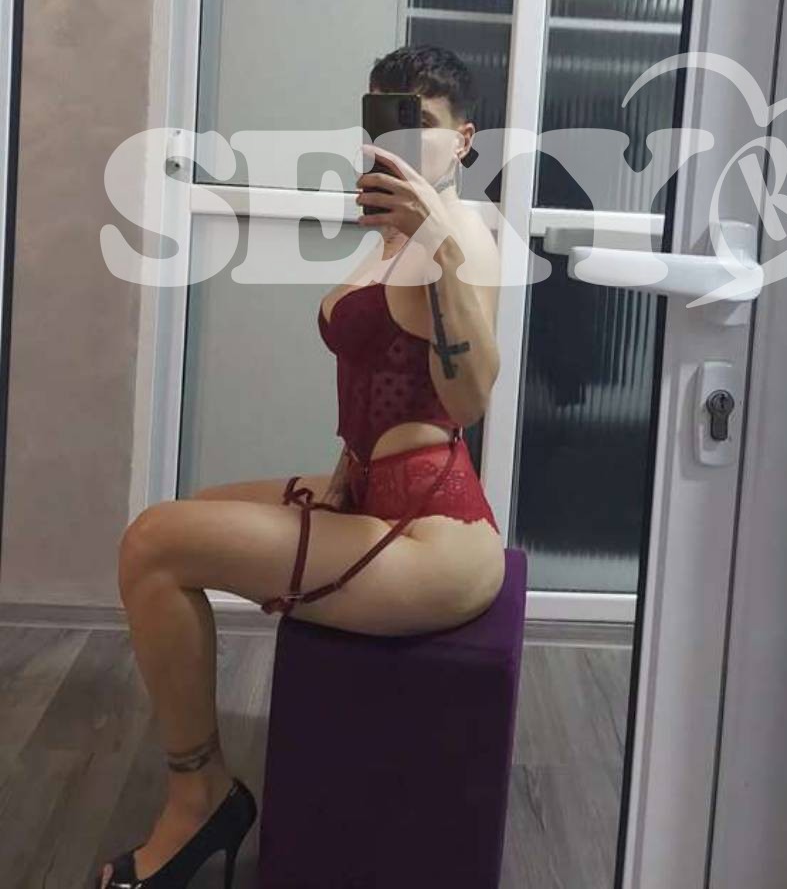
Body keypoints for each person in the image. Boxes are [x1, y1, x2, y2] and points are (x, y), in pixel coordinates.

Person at [95, 45, 505, 889]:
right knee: (190, 518)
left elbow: (467, 400)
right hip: (374, 493)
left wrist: (438, 240)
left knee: (154, 545)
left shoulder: (461, 232)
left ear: (464, 140)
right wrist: (344, 468)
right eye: (383, 118)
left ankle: (198, 801)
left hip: (438, 540)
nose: (398, 140)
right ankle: (206, 785)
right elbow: (380, 380)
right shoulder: (392, 235)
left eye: (422, 122)